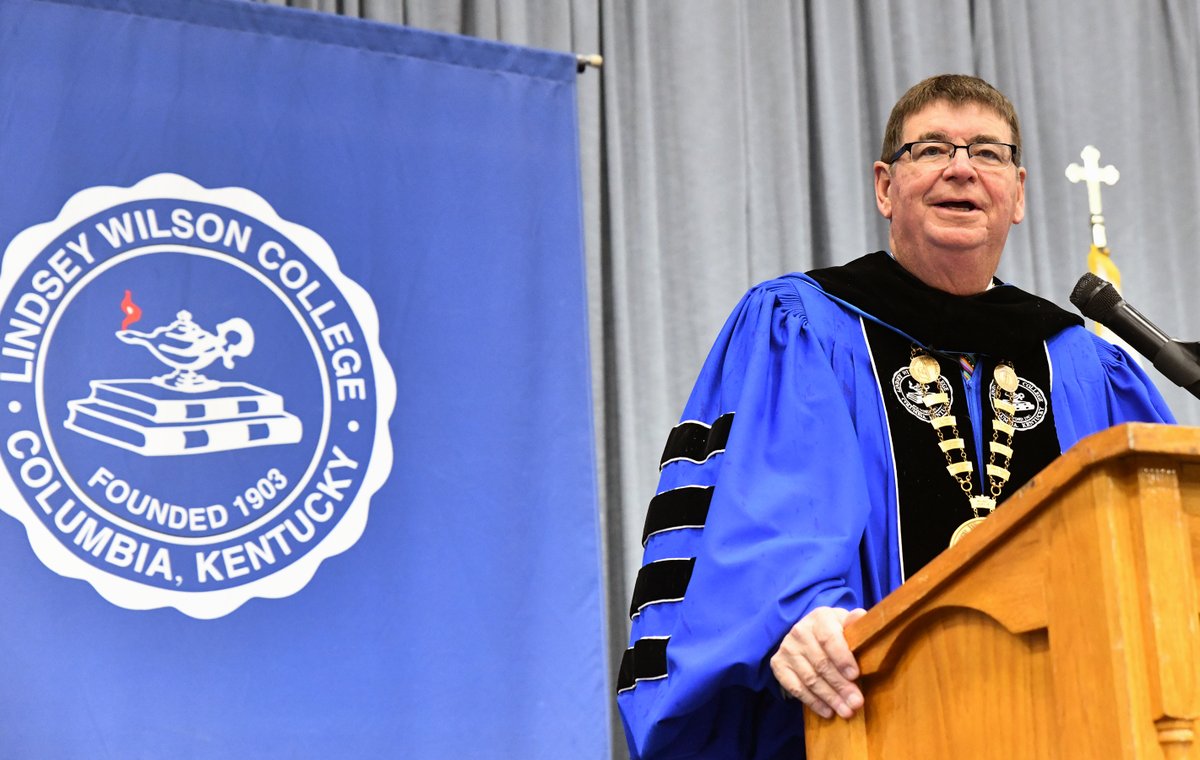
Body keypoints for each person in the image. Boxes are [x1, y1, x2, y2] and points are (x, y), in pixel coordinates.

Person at [615, 74, 1174, 760]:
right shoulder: (807, 326)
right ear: (886, 185)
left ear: (1019, 192)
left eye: (988, 153)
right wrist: (795, 615)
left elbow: (1160, 537)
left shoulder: (1083, 364)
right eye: (932, 148)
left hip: (1072, 724)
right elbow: (774, 503)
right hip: (873, 721)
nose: (961, 168)